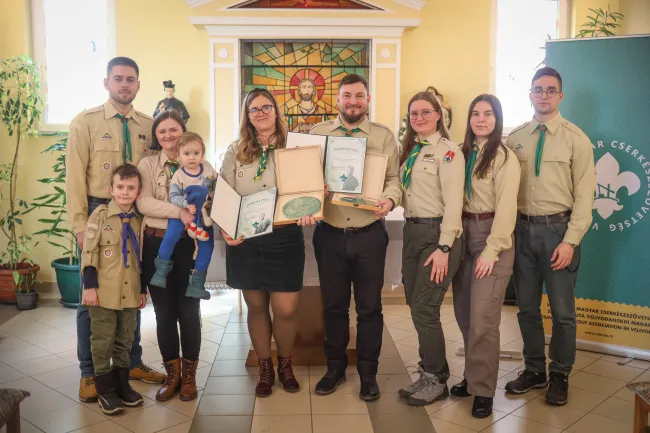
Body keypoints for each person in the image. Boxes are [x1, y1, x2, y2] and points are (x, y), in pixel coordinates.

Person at [66, 57, 165, 403]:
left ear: (138, 85)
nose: (125, 84)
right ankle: (89, 373)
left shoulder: (148, 125)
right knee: (90, 297)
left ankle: (130, 364)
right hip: (98, 212)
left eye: (130, 79)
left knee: (130, 291)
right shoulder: (86, 122)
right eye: (118, 78)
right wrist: (80, 224)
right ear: (106, 82)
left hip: (137, 214)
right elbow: (74, 177)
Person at [505, 67, 595, 406]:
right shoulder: (516, 138)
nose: (544, 95)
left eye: (550, 90)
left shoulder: (576, 139)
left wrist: (570, 241)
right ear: (530, 94)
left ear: (560, 95)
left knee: (562, 312)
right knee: (527, 308)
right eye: (538, 89)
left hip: (559, 232)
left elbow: (585, 197)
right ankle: (534, 370)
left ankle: (559, 373)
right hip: (522, 230)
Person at [309, 74, 401, 402]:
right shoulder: (318, 134)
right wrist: (310, 192)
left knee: (369, 309)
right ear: (337, 99)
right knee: (334, 308)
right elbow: (304, 178)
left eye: (359, 96)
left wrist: (390, 198)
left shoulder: (383, 136)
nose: (353, 102)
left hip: (369, 235)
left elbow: (394, 179)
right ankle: (334, 368)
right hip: (330, 234)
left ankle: (368, 374)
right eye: (347, 95)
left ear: (368, 99)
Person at [221, 88, 308, 398]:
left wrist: (310, 205)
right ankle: (265, 367)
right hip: (247, 238)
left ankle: (286, 364)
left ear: (276, 110)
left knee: (285, 308)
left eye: (266, 107)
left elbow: (308, 187)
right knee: (256, 306)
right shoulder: (236, 151)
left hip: (285, 237)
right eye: (254, 109)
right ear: (247, 116)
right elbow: (224, 193)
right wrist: (226, 227)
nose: (260, 113)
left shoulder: (295, 146)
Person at [450, 95, 520, 418]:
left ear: (497, 119)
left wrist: (492, 250)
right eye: (475, 113)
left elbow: (507, 208)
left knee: (483, 320)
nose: (481, 119)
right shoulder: (461, 153)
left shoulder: (504, 158)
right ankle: (472, 375)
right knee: (465, 315)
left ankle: (483, 390)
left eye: (488, 114)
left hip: (492, 236)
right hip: (463, 234)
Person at [395, 91, 464, 406]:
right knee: (415, 304)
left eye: (426, 112)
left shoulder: (448, 152)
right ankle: (426, 373)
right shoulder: (411, 151)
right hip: (412, 233)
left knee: (425, 307)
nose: (419, 118)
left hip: (437, 236)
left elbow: (454, 202)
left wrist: (445, 247)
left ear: (438, 115)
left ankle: (437, 379)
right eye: (414, 113)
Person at [137, 110, 204, 402]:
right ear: (156, 135)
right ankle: (172, 375)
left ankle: (189, 377)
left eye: (173, 129)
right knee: (163, 313)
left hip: (189, 245)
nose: (168, 135)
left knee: (188, 311)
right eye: (162, 131)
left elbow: (210, 196)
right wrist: (180, 212)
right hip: (156, 244)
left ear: (183, 131)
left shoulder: (199, 162)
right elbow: (144, 202)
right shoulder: (148, 164)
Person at [80, 164, 147, 415]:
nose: (125, 192)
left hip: (130, 292)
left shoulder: (140, 220)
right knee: (102, 341)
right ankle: (105, 390)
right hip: (103, 293)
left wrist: (142, 290)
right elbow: (89, 251)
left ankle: (122, 385)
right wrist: (89, 287)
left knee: (125, 339)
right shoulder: (100, 216)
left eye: (130, 188)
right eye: (120, 187)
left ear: (138, 191)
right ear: (111, 189)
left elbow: (142, 259)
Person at [149, 132, 215, 300]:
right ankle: (160, 272)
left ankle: (197, 285)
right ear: (178, 156)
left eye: (196, 153)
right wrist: (186, 204)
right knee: (171, 236)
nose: (192, 157)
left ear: (202, 154)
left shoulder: (208, 168)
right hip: (182, 212)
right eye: (186, 153)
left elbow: (216, 186)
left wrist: (211, 197)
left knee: (207, 244)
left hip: (203, 214)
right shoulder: (178, 175)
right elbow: (173, 196)